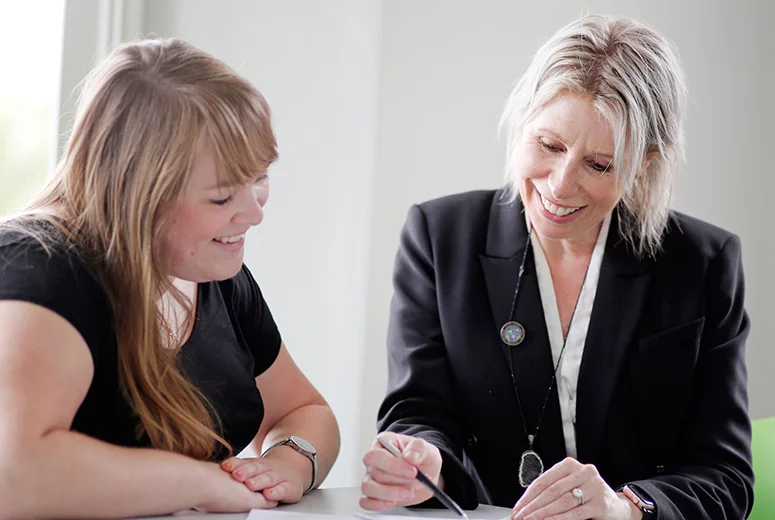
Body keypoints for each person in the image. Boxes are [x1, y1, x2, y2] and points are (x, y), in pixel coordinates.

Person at [360, 14, 753, 520]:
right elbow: (418, 412)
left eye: (600, 165)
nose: (561, 186)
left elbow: (726, 477)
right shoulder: (438, 238)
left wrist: (624, 508)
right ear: (523, 119)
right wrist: (427, 462)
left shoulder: (704, 263)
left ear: (646, 165)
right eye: (549, 145)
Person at [0, 38, 340, 518]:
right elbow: (14, 473)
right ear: (137, 192)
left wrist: (290, 459)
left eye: (259, 178)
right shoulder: (37, 271)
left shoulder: (212, 275)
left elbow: (305, 411)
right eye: (222, 198)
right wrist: (200, 483)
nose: (255, 214)